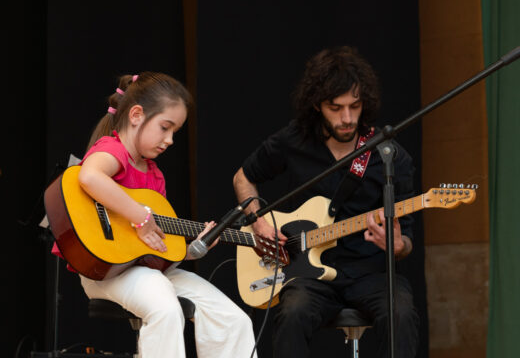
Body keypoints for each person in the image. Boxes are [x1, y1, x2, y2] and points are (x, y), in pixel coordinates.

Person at [51, 72, 257, 358]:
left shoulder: (155, 175)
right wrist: (140, 216)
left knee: (233, 320)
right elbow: (90, 177)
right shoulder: (113, 151)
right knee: (166, 309)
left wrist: (191, 250)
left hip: (146, 270)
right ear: (136, 115)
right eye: (165, 127)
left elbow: (153, 248)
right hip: (105, 271)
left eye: (175, 131)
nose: (170, 140)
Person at [233, 46, 419, 357]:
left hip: (370, 273)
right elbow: (243, 177)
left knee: (400, 312)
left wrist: (398, 246)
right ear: (318, 104)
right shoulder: (294, 141)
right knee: (292, 312)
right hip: (307, 274)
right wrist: (258, 222)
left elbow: (407, 240)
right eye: (336, 107)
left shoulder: (389, 155)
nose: (347, 118)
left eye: (355, 106)